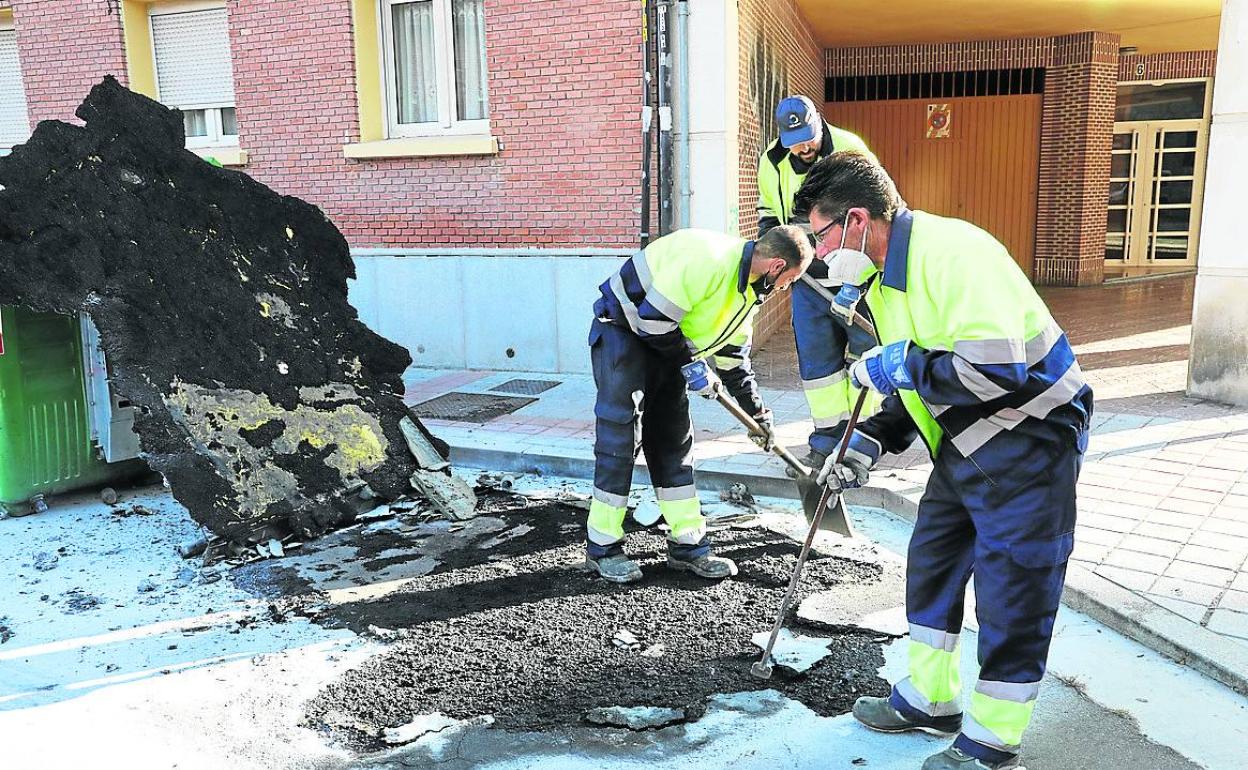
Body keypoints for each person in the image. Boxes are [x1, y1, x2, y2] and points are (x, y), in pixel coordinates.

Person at [793, 152, 1092, 770]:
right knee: (931, 564)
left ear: (855, 220)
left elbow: (994, 371)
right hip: (967, 446)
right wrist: (868, 443)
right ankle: (929, 699)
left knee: (1014, 593)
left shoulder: (954, 252)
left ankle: (991, 739)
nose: (818, 255)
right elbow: (926, 385)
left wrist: (902, 364)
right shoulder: (886, 277)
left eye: (820, 236)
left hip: (1029, 445)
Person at [584, 225, 814, 583]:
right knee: (619, 438)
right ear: (777, 265)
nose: (787, 287)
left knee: (674, 441)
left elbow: (734, 361)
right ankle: (603, 547)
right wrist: (691, 365)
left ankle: (688, 545)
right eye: (790, 278)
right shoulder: (708, 261)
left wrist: (758, 415)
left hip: (668, 345)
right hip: (624, 332)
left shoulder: (748, 294)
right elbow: (652, 319)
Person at [758, 94, 881, 472]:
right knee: (818, 366)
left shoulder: (850, 149)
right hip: (809, 281)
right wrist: (774, 262)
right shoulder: (772, 161)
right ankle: (826, 442)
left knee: (866, 359)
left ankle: (862, 442)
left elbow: (877, 215)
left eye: (808, 138)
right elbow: (769, 216)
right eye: (795, 142)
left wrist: (856, 282)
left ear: (818, 124)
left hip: (855, 275)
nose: (804, 147)